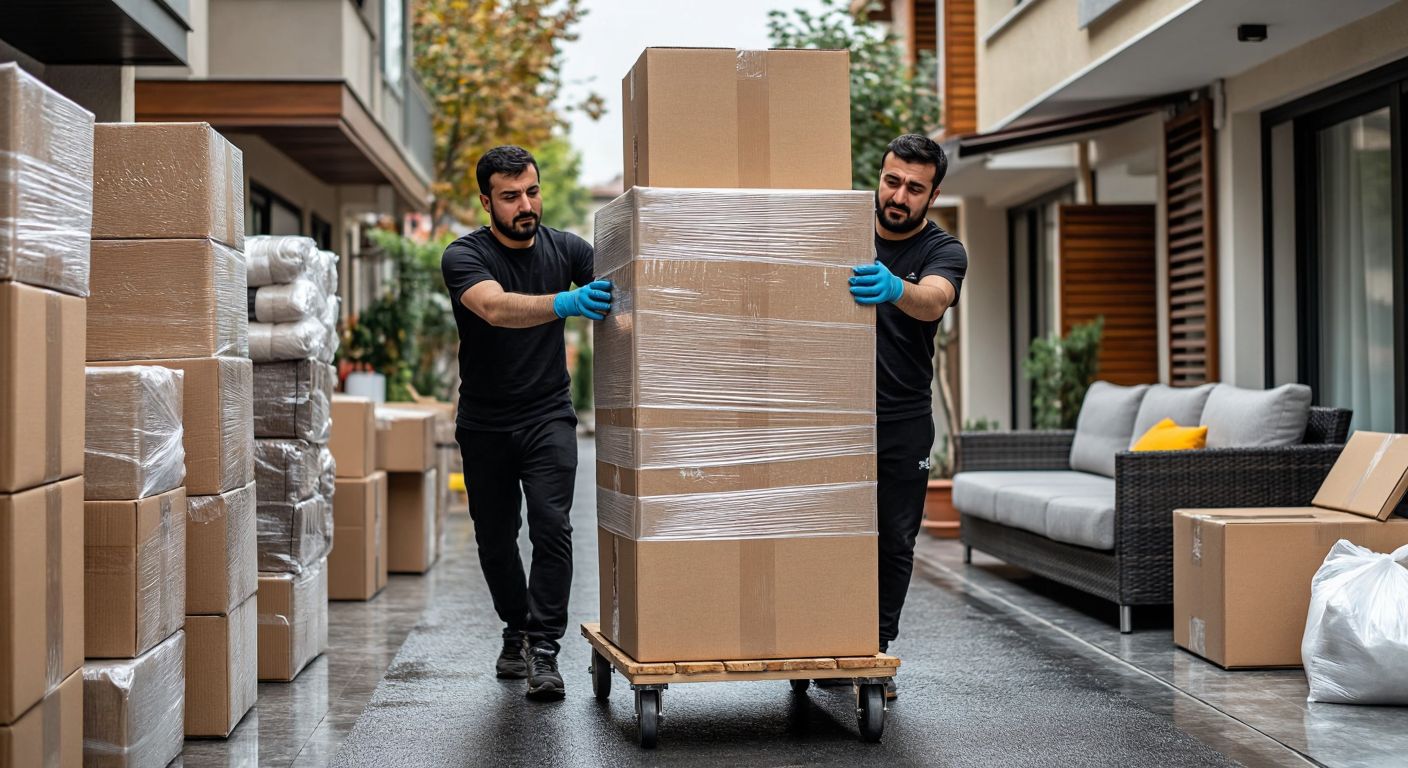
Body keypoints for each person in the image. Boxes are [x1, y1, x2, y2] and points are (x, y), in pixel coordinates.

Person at [440, 145, 612, 701]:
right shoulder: (464, 256)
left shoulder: (568, 249)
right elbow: (494, 307)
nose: (525, 205)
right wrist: (565, 303)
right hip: (485, 422)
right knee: (495, 538)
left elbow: (623, 284)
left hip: (547, 415)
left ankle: (543, 650)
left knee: (551, 525)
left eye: (531, 191)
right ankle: (514, 628)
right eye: (510, 196)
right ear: (486, 201)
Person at [846, 133, 968, 699]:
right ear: (880, 175)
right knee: (829, 532)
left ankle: (873, 650)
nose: (898, 196)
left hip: (902, 418)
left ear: (933, 194)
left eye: (914, 189)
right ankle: (822, 639)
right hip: (835, 416)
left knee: (894, 539)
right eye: (892, 181)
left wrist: (897, 287)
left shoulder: (944, 250)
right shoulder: (842, 229)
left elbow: (934, 299)